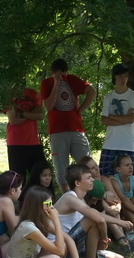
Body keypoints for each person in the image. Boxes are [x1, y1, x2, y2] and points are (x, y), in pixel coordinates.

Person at [1, 186, 86, 258]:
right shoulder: (28, 227)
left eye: (51, 203)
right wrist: (56, 220)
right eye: (48, 204)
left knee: (62, 248)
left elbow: (68, 240)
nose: (51, 207)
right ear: (37, 206)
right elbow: (60, 251)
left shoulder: (40, 222)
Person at [40, 58, 96, 192]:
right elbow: (48, 106)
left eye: (63, 73)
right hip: (57, 130)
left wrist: (80, 109)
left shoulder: (72, 79)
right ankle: (68, 199)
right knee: (61, 168)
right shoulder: (46, 83)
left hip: (76, 128)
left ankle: (91, 198)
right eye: (58, 73)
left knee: (86, 164)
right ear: (52, 72)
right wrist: (56, 83)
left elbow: (91, 91)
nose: (61, 76)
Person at [54, 164, 126, 258]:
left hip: (74, 248)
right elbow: (99, 219)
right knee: (92, 220)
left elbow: (96, 215)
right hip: (60, 251)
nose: (93, 180)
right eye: (88, 178)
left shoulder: (81, 199)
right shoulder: (69, 198)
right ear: (77, 183)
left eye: (91, 177)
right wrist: (105, 238)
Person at [99, 63, 134, 177]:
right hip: (110, 143)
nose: (123, 79)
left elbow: (131, 118)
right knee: (105, 177)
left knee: (129, 180)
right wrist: (124, 119)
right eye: (120, 76)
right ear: (114, 78)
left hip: (128, 143)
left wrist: (111, 116)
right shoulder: (108, 97)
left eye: (125, 76)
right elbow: (104, 120)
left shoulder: (133, 96)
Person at [5, 87, 46, 178]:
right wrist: (32, 115)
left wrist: (22, 114)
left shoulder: (32, 93)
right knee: (18, 178)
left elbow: (40, 115)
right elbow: (13, 121)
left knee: (40, 176)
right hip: (16, 142)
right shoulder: (9, 95)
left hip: (33, 142)